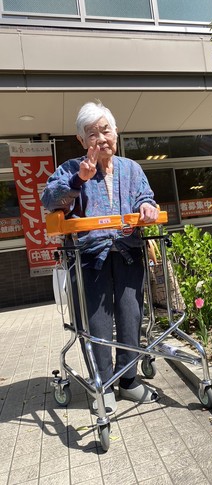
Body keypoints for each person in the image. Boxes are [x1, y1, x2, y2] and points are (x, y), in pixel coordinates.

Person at [41, 101, 159, 414]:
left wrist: (147, 207)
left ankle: (128, 380)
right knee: (96, 324)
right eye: (92, 134)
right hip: (88, 257)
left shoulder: (131, 168)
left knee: (131, 316)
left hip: (128, 251)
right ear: (81, 140)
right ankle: (102, 384)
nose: (101, 139)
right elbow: (49, 199)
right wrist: (78, 180)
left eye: (105, 130)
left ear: (116, 132)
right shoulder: (70, 168)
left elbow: (145, 197)